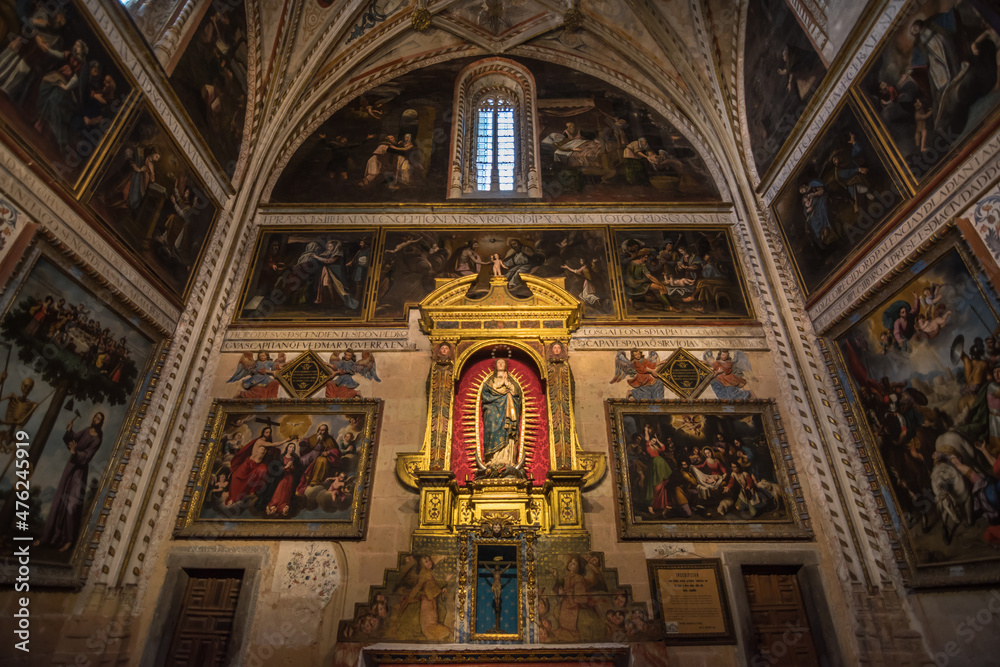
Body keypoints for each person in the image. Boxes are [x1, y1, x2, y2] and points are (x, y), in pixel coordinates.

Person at [38, 412, 105, 552]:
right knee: (59, 500)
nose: (96, 419)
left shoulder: (97, 439)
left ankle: (68, 540)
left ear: (101, 422)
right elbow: (74, 438)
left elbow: (87, 456)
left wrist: (75, 453)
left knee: (72, 505)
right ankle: (47, 537)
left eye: (99, 419)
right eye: (95, 417)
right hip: (70, 467)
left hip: (79, 471)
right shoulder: (87, 430)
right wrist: (69, 430)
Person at [480, 358, 520, 472]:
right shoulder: (489, 382)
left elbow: (516, 395)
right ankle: (492, 460)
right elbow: (486, 396)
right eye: (498, 363)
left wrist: (508, 384)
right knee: (492, 428)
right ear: (495, 366)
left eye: (503, 362)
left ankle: (507, 459)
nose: (501, 364)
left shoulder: (510, 381)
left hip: (507, 410)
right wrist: (500, 385)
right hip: (493, 412)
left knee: (508, 432)